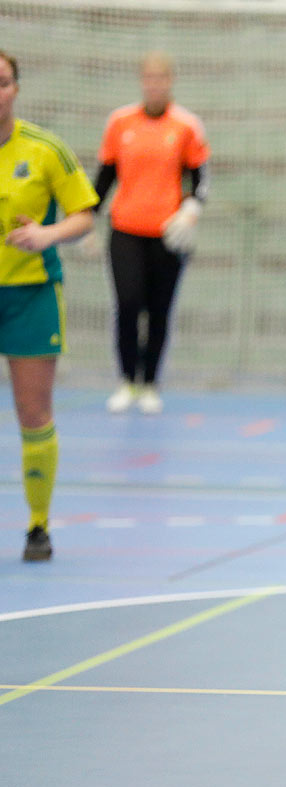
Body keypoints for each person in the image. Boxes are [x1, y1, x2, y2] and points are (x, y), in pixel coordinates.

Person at [0, 50, 99, 561]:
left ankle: (38, 527)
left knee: (33, 413)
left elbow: (85, 213)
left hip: (31, 296)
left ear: (16, 88)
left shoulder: (44, 150)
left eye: (2, 82)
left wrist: (47, 235)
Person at [93, 51, 210, 415]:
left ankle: (150, 382)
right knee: (128, 305)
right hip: (125, 229)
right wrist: (85, 221)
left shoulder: (187, 125)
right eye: (149, 78)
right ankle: (127, 379)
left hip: (167, 234)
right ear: (142, 81)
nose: (154, 84)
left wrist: (190, 210)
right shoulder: (120, 122)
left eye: (161, 78)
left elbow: (199, 178)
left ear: (170, 82)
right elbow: (104, 177)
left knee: (160, 309)